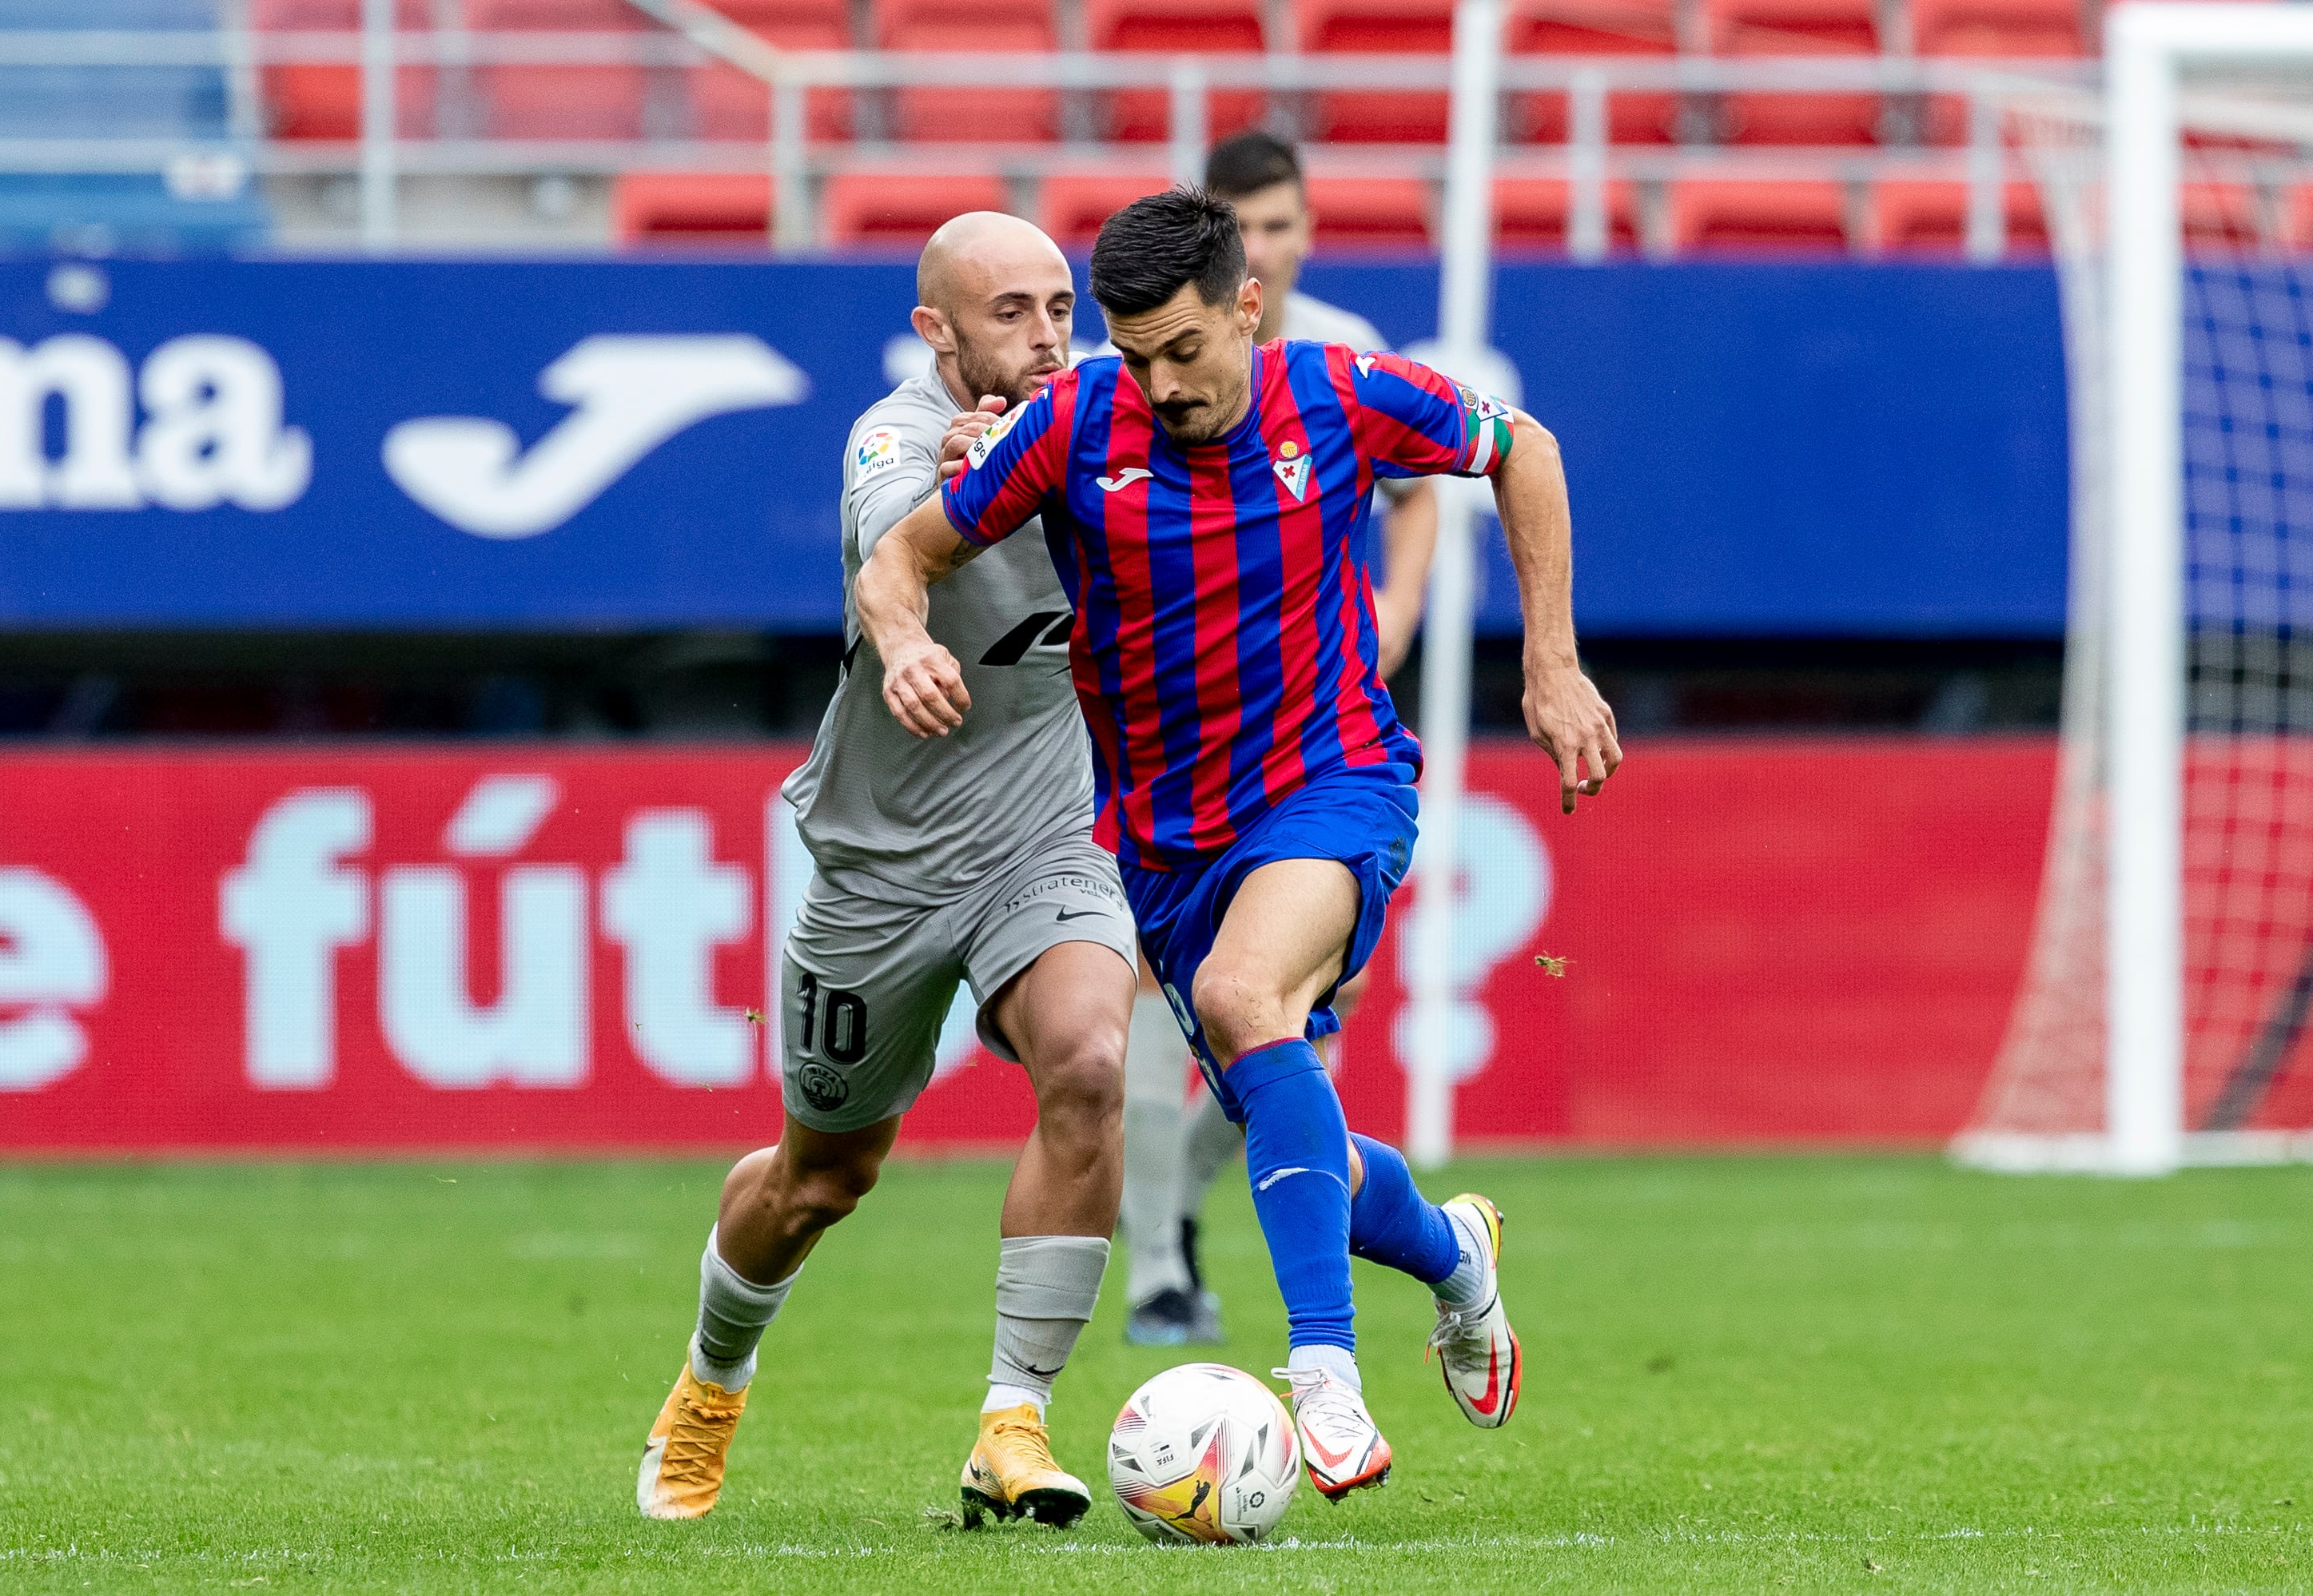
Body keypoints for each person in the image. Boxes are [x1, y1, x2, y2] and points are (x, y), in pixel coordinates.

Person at [855, 189, 1621, 1498]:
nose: (1160, 384)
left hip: (1333, 783)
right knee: (1279, 1090)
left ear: (1246, 309)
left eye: (1187, 351)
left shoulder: (1340, 392)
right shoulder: (1067, 426)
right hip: (1162, 842)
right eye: (1133, 352)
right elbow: (903, 558)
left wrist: (1550, 662)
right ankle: (1450, 1250)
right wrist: (907, 635)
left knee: (1238, 996)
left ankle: (1322, 1371)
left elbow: (1523, 449)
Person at [637, 213, 1138, 1531]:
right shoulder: (897, 436)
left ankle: (1012, 1420)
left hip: (1046, 836)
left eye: (1059, 309)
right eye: (1012, 314)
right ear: (939, 331)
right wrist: (908, 636)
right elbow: (887, 557)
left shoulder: (1107, 419)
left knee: (1089, 1060)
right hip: (883, 868)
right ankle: (711, 1378)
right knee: (819, 1181)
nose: (1045, 338)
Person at [1119, 129, 1443, 1348]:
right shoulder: (1151, 378)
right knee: (1184, 1003)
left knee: (1293, 1015)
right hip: (1181, 759)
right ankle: (1157, 1261)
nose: (1271, 240)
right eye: (1246, 219)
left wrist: (1398, 608)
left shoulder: (1346, 360)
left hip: (1320, 735)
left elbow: (1423, 498)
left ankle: (1188, 1215)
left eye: (1286, 221)